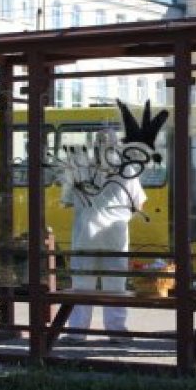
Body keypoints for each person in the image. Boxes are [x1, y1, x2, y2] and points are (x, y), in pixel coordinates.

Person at [61, 135, 148, 344]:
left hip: (85, 236)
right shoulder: (127, 170)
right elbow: (139, 203)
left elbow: (66, 201)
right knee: (115, 287)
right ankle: (117, 332)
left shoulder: (79, 169)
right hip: (114, 237)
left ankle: (77, 333)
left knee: (81, 286)